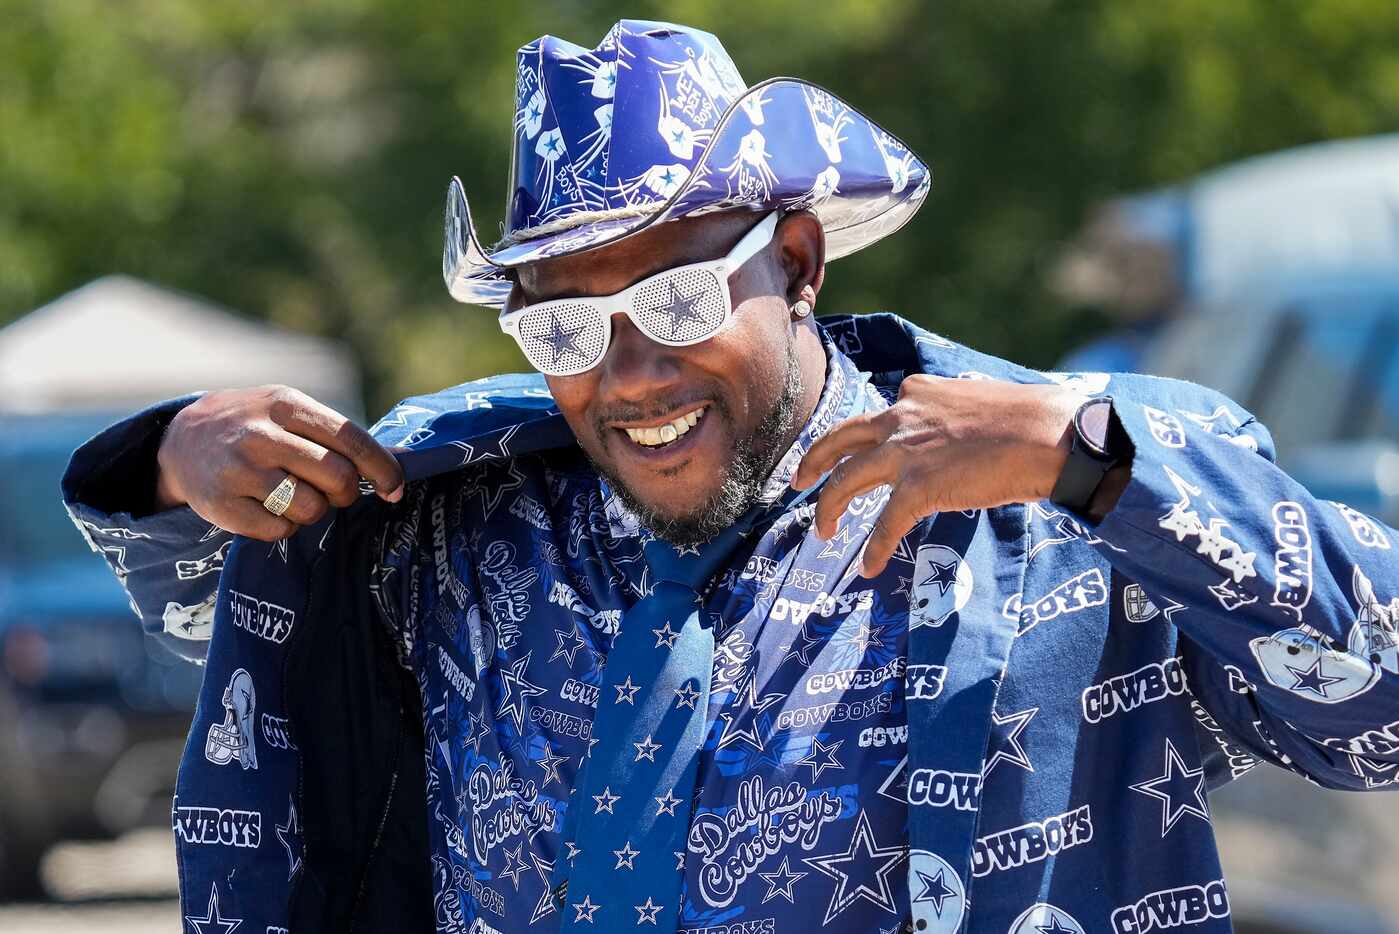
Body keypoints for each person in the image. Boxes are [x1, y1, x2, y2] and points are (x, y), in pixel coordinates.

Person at [62, 20, 1399, 934]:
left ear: (801, 263)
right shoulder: (456, 527)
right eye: (565, 329)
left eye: (685, 293)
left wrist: (1096, 467)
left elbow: (1378, 706)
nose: (633, 371)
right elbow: (239, 632)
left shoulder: (1061, 505)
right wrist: (176, 455)